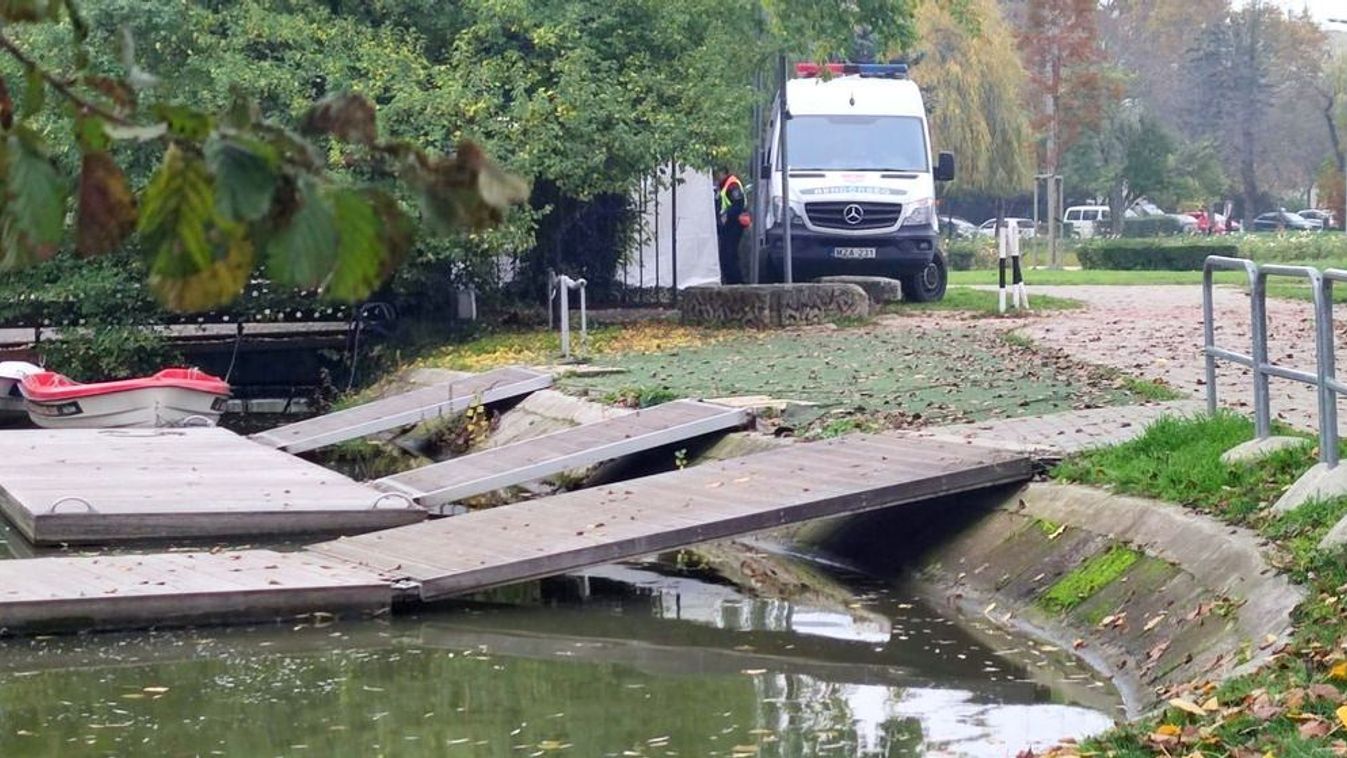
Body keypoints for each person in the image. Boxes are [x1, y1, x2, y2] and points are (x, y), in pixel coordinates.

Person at [714, 168, 748, 285]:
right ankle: (731, 281)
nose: (716, 177)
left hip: (734, 225)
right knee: (726, 255)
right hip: (728, 226)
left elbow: (738, 204)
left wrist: (726, 216)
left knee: (729, 255)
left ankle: (736, 282)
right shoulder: (724, 185)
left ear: (724, 172)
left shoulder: (732, 184)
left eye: (718, 173)